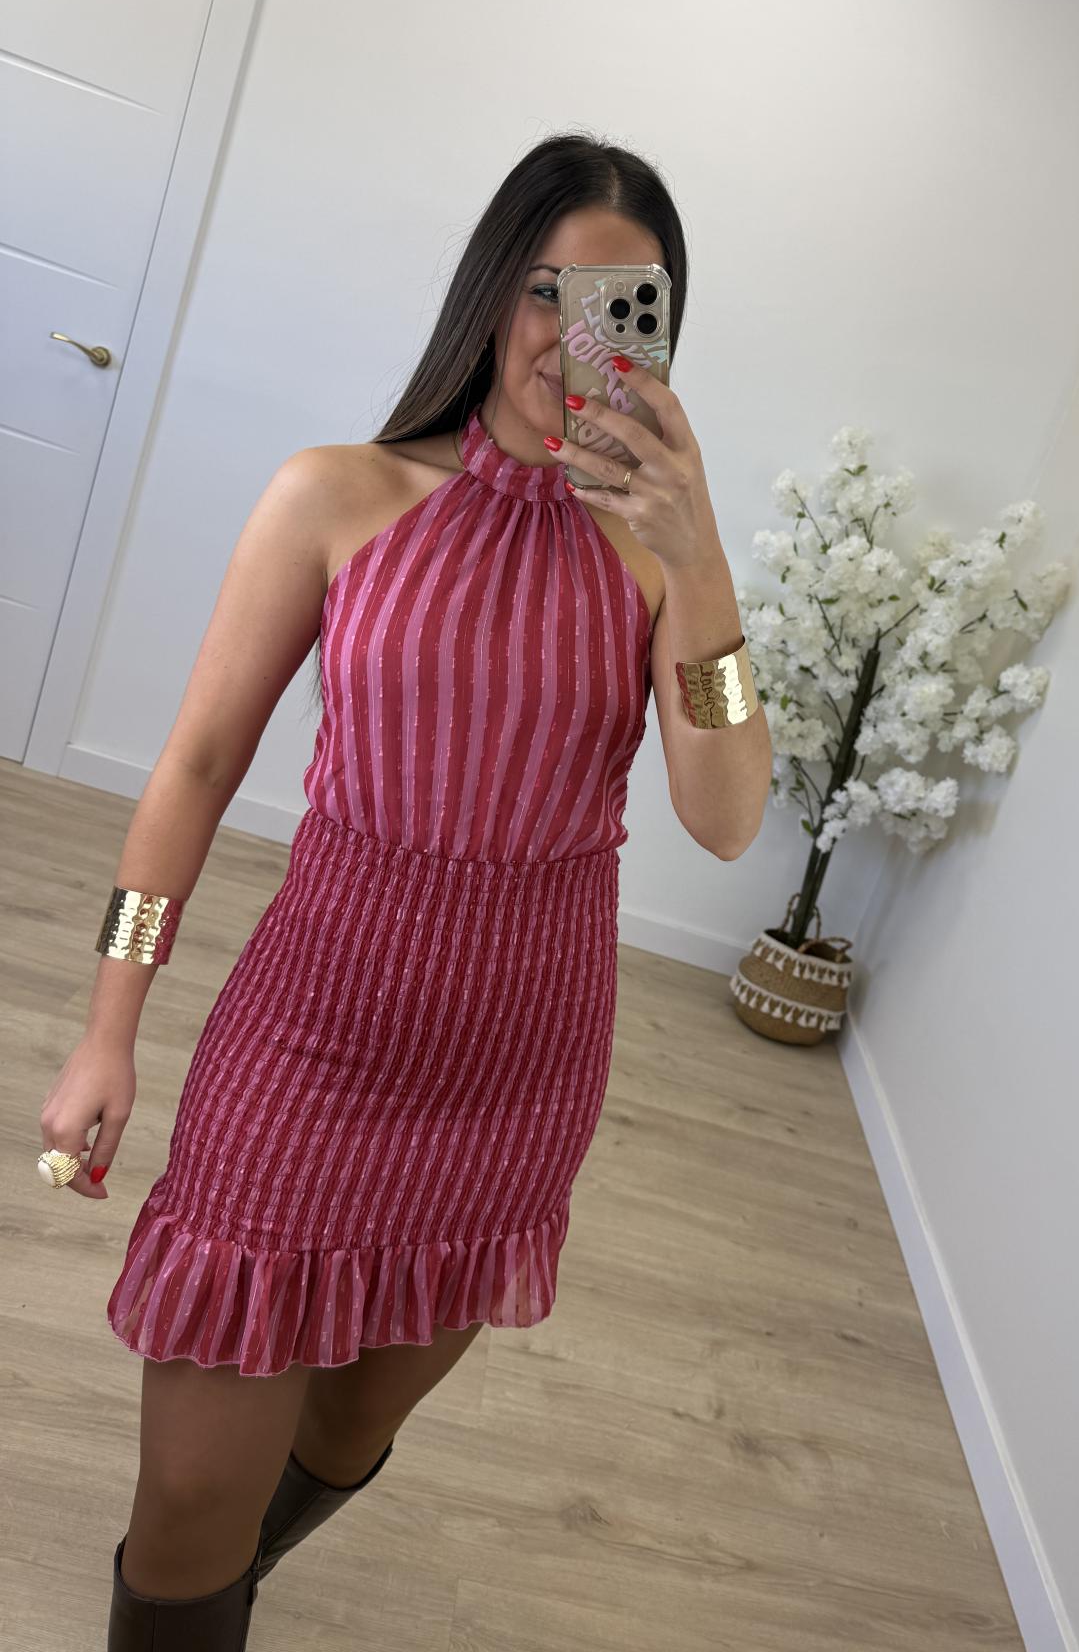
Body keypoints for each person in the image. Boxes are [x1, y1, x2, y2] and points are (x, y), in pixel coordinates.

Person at [35, 132, 770, 1648]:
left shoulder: (660, 568)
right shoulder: (337, 496)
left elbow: (727, 816)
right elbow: (195, 767)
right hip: (309, 1048)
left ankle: (228, 1596)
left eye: (623, 308)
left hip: (517, 1080)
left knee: (351, 1427)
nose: (574, 338)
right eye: (551, 292)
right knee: (188, 1502)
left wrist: (699, 563)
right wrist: (109, 1027)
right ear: (493, 292)